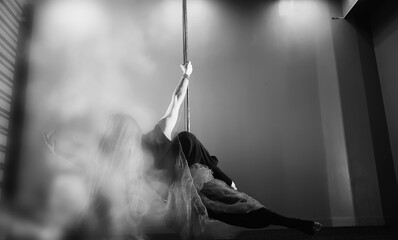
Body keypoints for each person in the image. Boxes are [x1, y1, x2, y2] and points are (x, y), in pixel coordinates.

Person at [139, 62, 322, 235]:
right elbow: (177, 99)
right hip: (189, 189)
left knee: (241, 206)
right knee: (235, 209)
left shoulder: (151, 147)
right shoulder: (142, 161)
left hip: (194, 180)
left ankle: (294, 223)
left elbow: (177, 99)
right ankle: (292, 222)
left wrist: (186, 75)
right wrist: (187, 74)